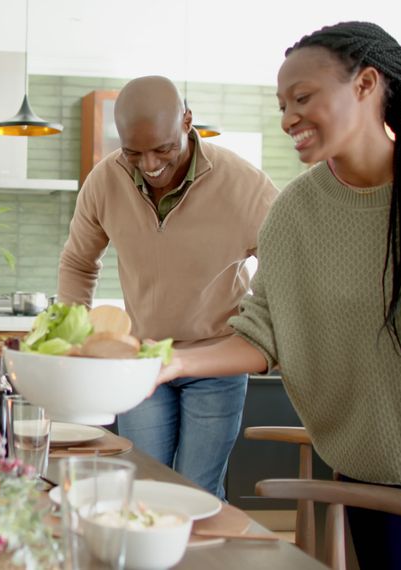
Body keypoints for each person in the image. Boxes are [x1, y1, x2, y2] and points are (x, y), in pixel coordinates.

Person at [158, 21, 401, 568]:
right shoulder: (293, 215)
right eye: (282, 103)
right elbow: (262, 333)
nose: (288, 118)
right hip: (375, 480)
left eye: (303, 98)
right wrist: (164, 363)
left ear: (365, 84)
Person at [58, 75, 278, 499]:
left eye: (163, 149)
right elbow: (78, 263)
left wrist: (254, 326)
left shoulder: (243, 185)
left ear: (187, 122)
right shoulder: (105, 181)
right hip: (142, 362)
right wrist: (75, 333)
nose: (150, 165)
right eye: (133, 153)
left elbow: (283, 267)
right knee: (145, 485)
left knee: (196, 490)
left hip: (214, 362)